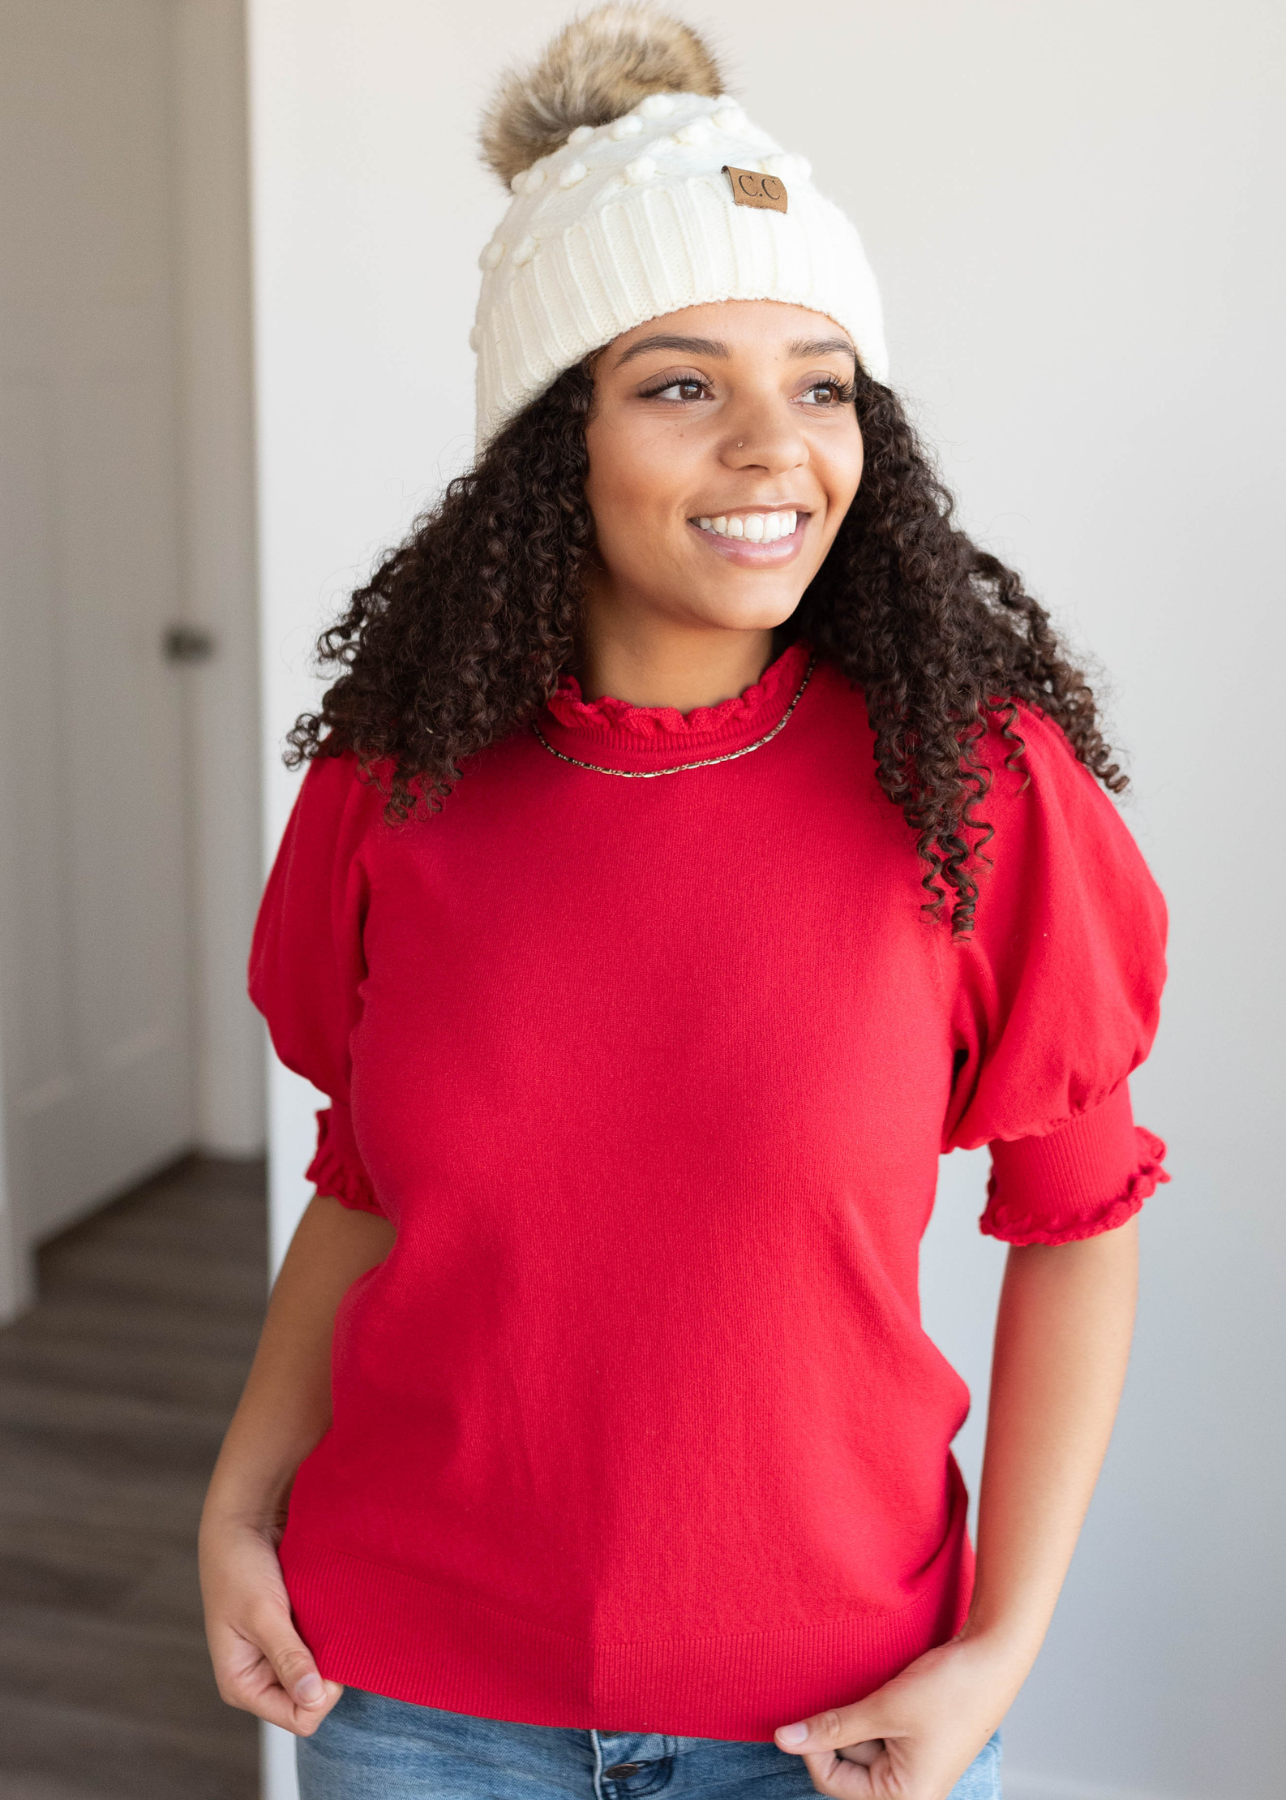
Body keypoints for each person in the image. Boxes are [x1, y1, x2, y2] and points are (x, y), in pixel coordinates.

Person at [199, 9, 1168, 1798]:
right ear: (540, 443)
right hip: (405, 1700)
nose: (771, 448)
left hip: (832, 1727)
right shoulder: (391, 783)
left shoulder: (974, 788)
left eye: (819, 383)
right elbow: (364, 1181)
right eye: (676, 383)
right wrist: (237, 1504)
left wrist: (997, 1652)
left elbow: (1074, 1223)